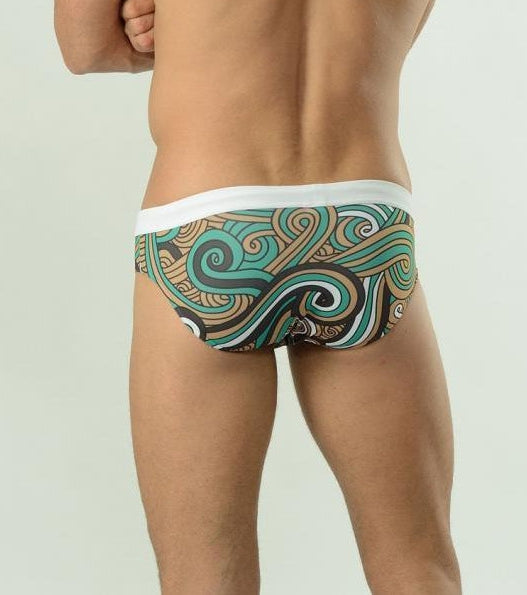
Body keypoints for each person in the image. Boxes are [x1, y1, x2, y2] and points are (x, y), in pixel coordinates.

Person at [54, 0, 462, 593]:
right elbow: (390, 36)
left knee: (203, 578)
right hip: (364, 227)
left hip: (209, 227)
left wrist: (176, 32)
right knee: (419, 566)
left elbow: (85, 47)